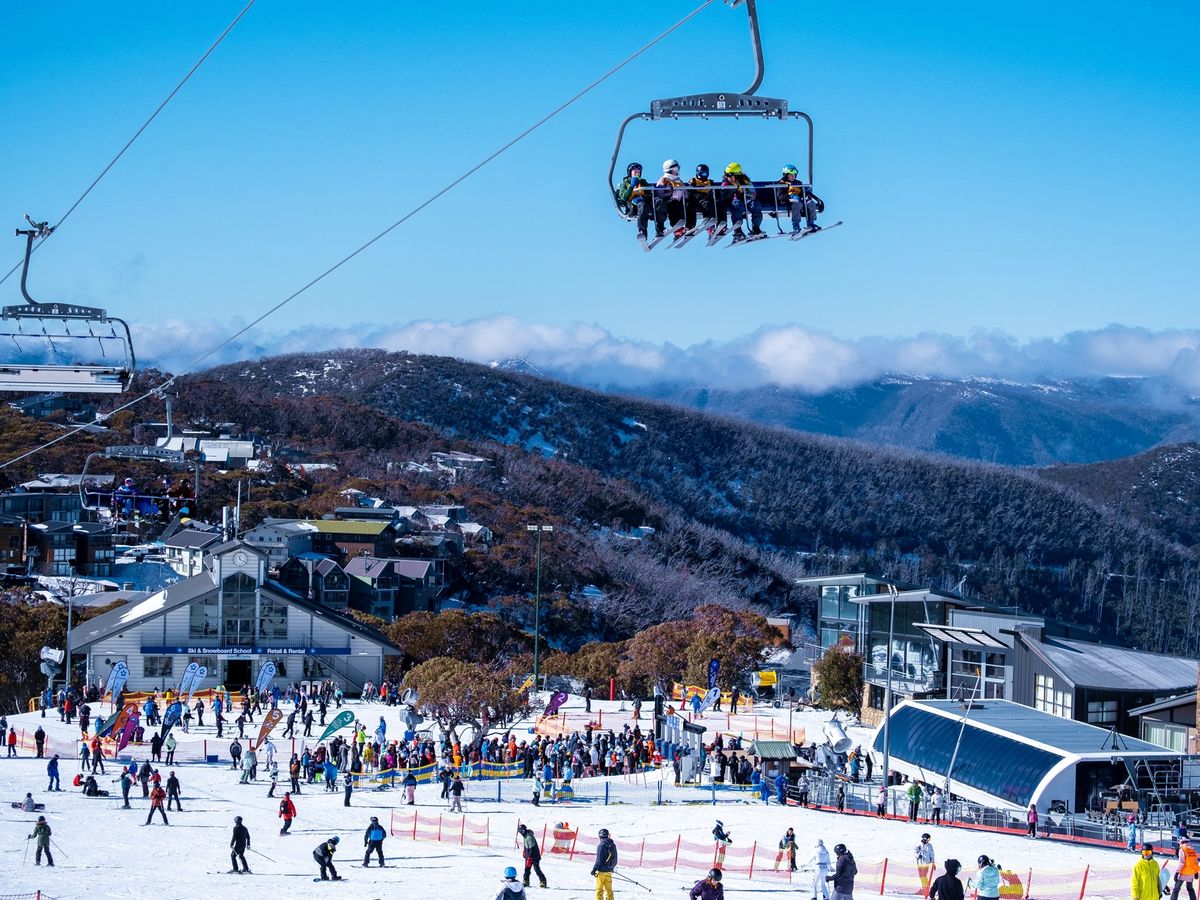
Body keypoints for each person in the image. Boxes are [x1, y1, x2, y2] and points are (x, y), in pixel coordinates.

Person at [617, 162, 663, 242]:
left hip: (644, 201)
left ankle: (660, 228)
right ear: (630, 172)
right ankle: (642, 230)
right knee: (642, 205)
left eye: (639, 170)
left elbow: (650, 192)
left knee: (659, 201)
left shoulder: (642, 181)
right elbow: (623, 197)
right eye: (635, 170)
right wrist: (631, 186)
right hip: (633, 205)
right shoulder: (625, 183)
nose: (637, 171)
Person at [721, 162, 762, 243]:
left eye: (730, 175)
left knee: (756, 205)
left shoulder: (745, 181)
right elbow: (724, 196)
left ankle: (756, 228)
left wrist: (745, 192)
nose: (729, 177)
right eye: (727, 175)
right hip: (733, 202)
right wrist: (732, 191)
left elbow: (753, 193)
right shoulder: (726, 183)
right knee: (737, 206)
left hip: (746, 200)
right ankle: (737, 232)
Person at [778, 164, 823, 235]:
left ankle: (811, 223)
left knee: (811, 203)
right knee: (796, 204)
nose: (793, 176)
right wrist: (789, 198)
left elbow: (802, 194)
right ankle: (796, 226)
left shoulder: (798, 183)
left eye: (794, 174)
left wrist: (805, 190)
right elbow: (780, 196)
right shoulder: (781, 184)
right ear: (786, 175)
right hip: (789, 202)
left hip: (800, 200)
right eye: (791, 174)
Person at [656, 159, 687, 238]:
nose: (677, 171)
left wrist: (683, 194)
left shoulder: (679, 181)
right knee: (673, 207)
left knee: (686, 205)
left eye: (678, 168)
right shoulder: (664, 180)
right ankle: (676, 228)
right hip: (668, 201)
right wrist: (670, 193)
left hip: (679, 200)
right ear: (669, 170)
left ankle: (687, 226)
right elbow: (659, 192)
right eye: (676, 169)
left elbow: (685, 192)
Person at [686, 164, 718, 234]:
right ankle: (690, 226)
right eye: (701, 173)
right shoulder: (693, 181)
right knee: (690, 206)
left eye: (705, 173)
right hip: (696, 199)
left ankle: (710, 226)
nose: (703, 175)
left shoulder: (710, 182)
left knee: (710, 204)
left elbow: (715, 191)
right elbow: (689, 192)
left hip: (706, 199)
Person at [517, 823, 548, 888]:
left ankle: (543, 881)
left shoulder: (529, 837)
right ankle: (526, 881)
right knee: (526, 869)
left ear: (523, 831)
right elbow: (527, 846)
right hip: (529, 856)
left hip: (534, 856)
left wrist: (529, 858)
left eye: (520, 832)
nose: (520, 833)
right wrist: (525, 852)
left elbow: (532, 849)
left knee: (536, 869)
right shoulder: (525, 836)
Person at [593, 827, 618, 900]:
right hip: (609, 870)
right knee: (609, 890)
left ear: (600, 836)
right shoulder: (612, 844)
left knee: (599, 890)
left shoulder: (601, 845)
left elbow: (599, 860)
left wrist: (594, 869)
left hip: (601, 872)